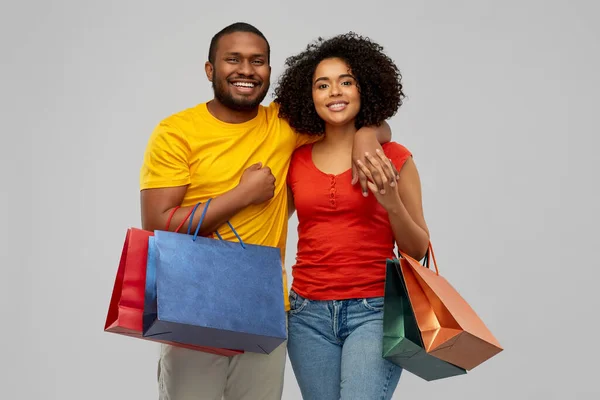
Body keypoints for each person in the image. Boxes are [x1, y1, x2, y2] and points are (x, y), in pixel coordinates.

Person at [139, 23, 395, 400]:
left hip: (264, 310)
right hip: (192, 308)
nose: (246, 70)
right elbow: (157, 224)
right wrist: (242, 195)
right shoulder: (176, 132)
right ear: (210, 70)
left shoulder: (284, 124)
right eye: (233, 60)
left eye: (257, 61)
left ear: (269, 72)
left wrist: (367, 135)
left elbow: (344, 115)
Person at [274, 32, 431, 399]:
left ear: (365, 89)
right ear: (309, 96)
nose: (335, 92)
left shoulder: (394, 156)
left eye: (347, 81)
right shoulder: (296, 160)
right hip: (306, 315)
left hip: (374, 311)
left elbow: (418, 248)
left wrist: (391, 201)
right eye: (322, 85)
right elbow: (270, 222)